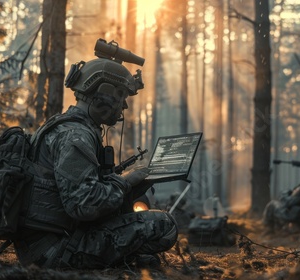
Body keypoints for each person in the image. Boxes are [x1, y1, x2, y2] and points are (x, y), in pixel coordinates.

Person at [12, 44, 177, 269]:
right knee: (165, 225)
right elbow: (84, 205)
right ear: (104, 95)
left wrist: (126, 184)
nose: (124, 105)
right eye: (120, 97)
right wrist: (124, 183)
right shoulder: (76, 136)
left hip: (47, 244)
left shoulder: (68, 126)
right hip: (54, 251)